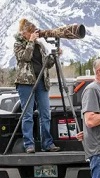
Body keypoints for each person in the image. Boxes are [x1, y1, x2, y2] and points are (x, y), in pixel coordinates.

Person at [14, 18, 60, 153]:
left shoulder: (40, 45)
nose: (35, 34)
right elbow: (25, 57)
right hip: (25, 83)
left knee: (45, 113)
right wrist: (31, 42)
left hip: (41, 81)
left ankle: (47, 143)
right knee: (27, 114)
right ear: (25, 33)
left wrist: (55, 56)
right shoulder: (18, 44)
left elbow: (47, 63)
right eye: (31, 32)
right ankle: (29, 144)